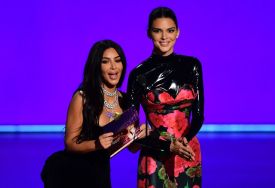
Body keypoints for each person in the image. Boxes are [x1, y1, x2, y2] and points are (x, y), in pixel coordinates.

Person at [41, 40, 145, 188]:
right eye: (105, 62)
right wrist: (96, 144)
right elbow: (70, 143)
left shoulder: (127, 101)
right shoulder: (83, 98)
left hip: (100, 175)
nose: (113, 67)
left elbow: (131, 147)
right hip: (71, 174)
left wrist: (141, 135)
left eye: (117, 61)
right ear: (97, 66)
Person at [127, 7, 204, 188]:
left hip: (187, 150)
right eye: (157, 31)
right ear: (149, 33)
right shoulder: (138, 74)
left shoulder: (192, 66)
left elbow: (199, 115)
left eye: (170, 31)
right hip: (154, 153)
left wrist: (183, 142)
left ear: (178, 32)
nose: (164, 37)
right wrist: (167, 145)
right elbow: (131, 130)